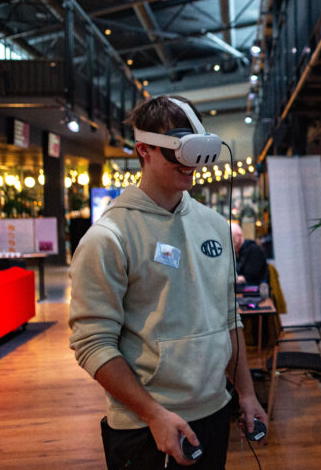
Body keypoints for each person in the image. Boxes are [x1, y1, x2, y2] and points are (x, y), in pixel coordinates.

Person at [68, 95, 267, 469]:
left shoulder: (214, 224)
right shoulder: (108, 238)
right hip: (145, 426)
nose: (190, 165)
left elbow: (229, 318)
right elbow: (92, 343)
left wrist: (247, 394)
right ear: (143, 150)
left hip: (215, 410)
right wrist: (153, 413)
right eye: (178, 152)